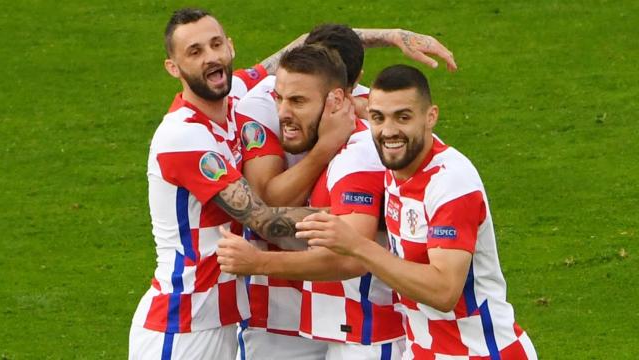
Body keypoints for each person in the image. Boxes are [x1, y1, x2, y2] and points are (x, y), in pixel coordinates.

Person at [295, 64, 538, 359]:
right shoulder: (397, 167)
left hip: (479, 352)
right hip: (424, 350)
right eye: (378, 117)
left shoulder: (451, 183)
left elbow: (444, 292)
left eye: (403, 117)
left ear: (430, 116)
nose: (389, 131)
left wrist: (358, 246)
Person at [128, 8, 325, 359]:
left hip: (219, 321)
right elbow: (263, 220)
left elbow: (294, 53)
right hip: (182, 326)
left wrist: (390, 36)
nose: (210, 57)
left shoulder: (234, 100)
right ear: (173, 68)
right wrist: (357, 218)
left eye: (215, 44)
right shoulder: (184, 136)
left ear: (230, 48)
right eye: (195, 51)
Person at [217, 45, 405, 360]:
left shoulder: (358, 155)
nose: (282, 113)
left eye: (298, 101)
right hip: (338, 329)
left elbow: (349, 258)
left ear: (336, 100)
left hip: (367, 333)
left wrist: (257, 262)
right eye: (279, 98)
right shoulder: (328, 148)